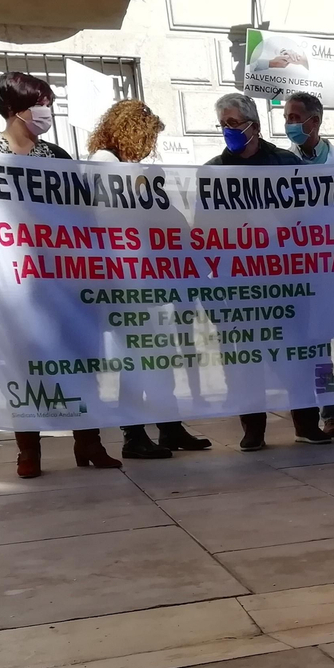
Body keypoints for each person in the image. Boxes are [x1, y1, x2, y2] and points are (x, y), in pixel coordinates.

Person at [0, 71, 122, 477]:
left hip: (61, 281)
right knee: (22, 362)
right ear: (14, 109)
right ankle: (29, 451)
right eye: (41, 103)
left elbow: (83, 213)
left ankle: (88, 442)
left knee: (77, 359)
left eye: (48, 102)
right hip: (12, 283)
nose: (47, 111)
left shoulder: (55, 157)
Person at [87, 100, 215, 458]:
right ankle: (133, 434)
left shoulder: (133, 167)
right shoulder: (104, 163)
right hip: (125, 278)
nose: (149, 147)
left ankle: (170, 427)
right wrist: (144, 185)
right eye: (146, 138)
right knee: (134, 360)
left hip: (151, 277)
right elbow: (113, 216)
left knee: (160, 357)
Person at [204, 92, 309, 450]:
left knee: (294, 355)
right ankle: (253, 429)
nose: (228, 130)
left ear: (254, 126)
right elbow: (204, 229)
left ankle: (306, 424)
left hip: (283, 280)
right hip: (237, 283)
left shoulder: (283, 164)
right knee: (242, 361)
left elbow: (306, 218)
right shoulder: (213, 171)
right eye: (223, 125)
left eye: (234, 123)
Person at [284, 91, 334, 166]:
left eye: (293, 117)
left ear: (315, 121)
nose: (287, 123)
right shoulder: (281, 163)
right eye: (286, 118)